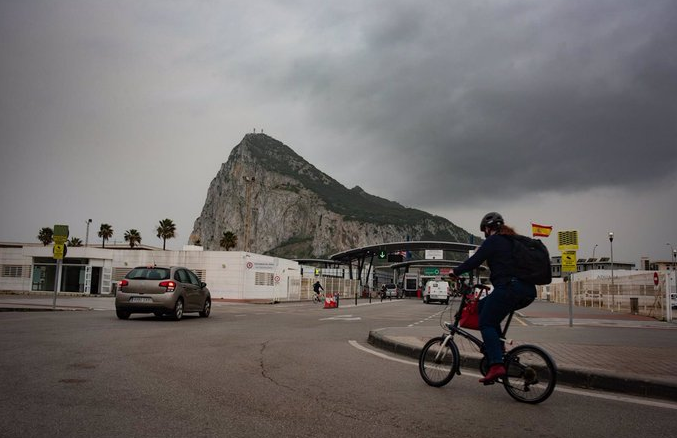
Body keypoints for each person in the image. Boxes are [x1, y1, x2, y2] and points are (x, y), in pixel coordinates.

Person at [451, 212, 537, 384]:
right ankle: (498, 348)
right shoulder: (513, 241)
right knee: (483, 307)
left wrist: (455, 271)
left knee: (486, 322)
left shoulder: (494, 240)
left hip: (508, 288)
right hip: (526, 290)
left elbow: (474, 261)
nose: (485, 233)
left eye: (485, 230)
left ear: (488, 229)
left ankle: (497, 364)